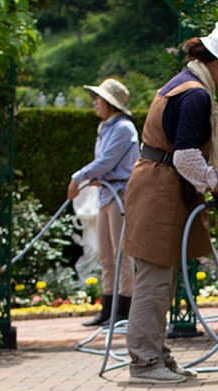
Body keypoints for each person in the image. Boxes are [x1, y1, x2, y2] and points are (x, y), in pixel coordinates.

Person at [119, 20, 218, 384]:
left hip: (161, 188)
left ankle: (156, 355)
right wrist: (217, 188)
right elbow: (186, 157)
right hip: (159, 191)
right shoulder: (195, 94)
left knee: (160, 277)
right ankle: (145, 363)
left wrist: (213, 186)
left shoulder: (187, 84)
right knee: (154, 279)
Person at [68, 78, 140, 328]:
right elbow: (105, 165)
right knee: (105, 255)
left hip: (120, 196)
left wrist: (78, 177)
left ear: (110, 103)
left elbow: (108, 161)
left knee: (122, 254)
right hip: (106, 196)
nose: (94, 102)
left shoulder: (123, 128)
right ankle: (107, 309)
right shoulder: (105, 128)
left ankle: (123, 311)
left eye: (98, 98)